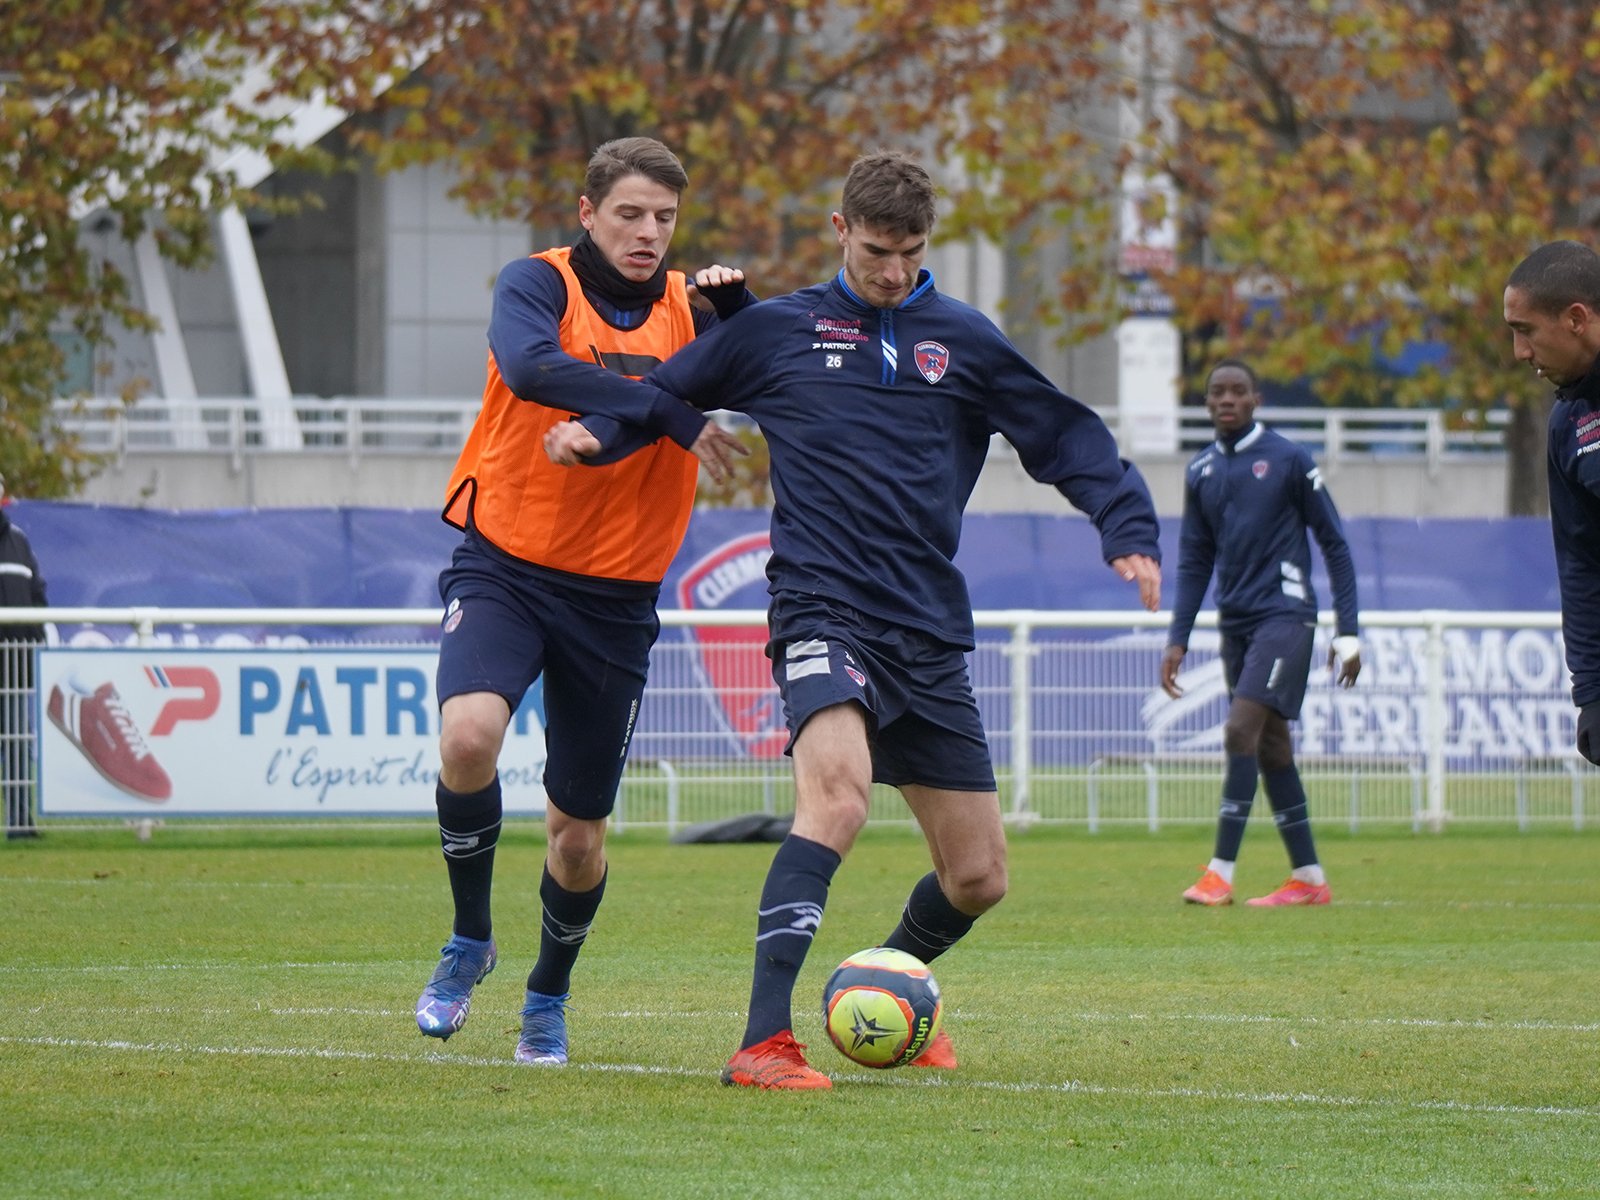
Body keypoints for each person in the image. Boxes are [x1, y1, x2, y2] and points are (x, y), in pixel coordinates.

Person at [546, 151, 1163, 1089]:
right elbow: (671, 390)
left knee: (978, 878)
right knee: (836, 802)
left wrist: (1125, 524)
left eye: (910, 253)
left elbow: (1062, 433)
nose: (893, 271)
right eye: (877, 250)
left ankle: (880, 982)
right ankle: (762, 1040)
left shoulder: (960, 337)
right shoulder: (782, 330)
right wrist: (600, 436)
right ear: (841, 231)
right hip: (821, 607)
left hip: (925, 629)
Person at [415, 136, 752, 1066]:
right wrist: (674, 411)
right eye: (631, 214)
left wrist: (745, 317)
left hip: (615, 598)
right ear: (588, 212)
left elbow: (772, 382)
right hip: (508, 564)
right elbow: (532, 371)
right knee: (469, 737)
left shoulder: (695, 305)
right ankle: (469, 939)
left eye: (665, 218)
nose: (649, 233)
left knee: (577, 835)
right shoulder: (537, 283)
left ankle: (547, 997)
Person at [1161, 360, 1360, 907]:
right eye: (1217, 392)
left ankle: (1219, 874)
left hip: (1286, 617)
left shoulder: (1289, 459)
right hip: (1236, 623)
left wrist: (1349, 632)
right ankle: (1310, 880)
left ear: (1256, 399)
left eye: (1237, 391)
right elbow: (1195, 559)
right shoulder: (1201, 469)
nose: (1227, 399)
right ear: (1207, 404)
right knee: (1271, 745)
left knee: (1238, 731)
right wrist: (1178, 637)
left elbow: (1335, 545)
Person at [1504, 241, 1600, 764]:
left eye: (1525, 331)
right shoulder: (1569, 424)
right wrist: (1590, 692)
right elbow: (1581, 562)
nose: (1520, 353)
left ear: (1576, 319)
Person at [0, 473, 46, 836]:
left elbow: (37, 596)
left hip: (14, 664)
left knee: (17, 742)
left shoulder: (19, 542)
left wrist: (32, 640)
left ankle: (19, 822)